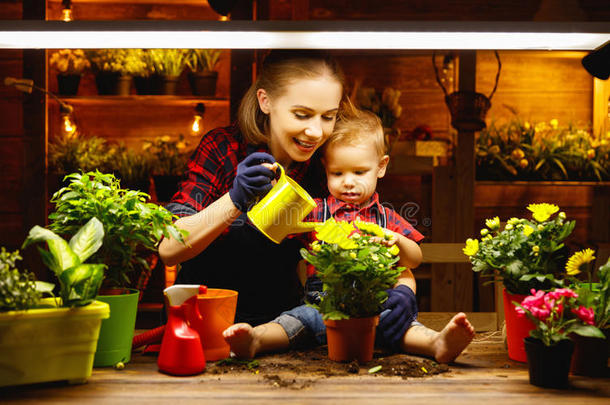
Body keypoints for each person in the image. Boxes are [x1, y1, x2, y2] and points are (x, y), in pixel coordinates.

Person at [223, 108, 475, 363]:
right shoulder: (315, 212)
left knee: (404, 328)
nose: (348, 182)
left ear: (381, 167)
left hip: (375, 309)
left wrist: (397, 241)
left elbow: (415, 259)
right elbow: (274, 232)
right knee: (291, 321)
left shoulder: (387, 219)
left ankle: (436, 344)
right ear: (325, 170)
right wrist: (271, 194)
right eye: (338, 173)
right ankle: (256, 339)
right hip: (322, 309)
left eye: (359, 172)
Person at [158, 50, 345, 326]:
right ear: (265, 101)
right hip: (202, 321)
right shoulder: (223, 148)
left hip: (282, 327)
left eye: (328, 117)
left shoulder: (327, 164)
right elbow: (169, 248)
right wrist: (234, 200)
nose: (316, 132)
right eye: (302, 115)